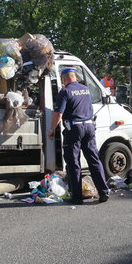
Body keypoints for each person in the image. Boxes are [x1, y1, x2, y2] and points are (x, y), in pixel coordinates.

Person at [48, 68, 109, 204]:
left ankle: (77, 197)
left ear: (64, 79)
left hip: (74, 129)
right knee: (94, 160)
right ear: (75, 77)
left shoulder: (65, 91)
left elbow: (58, 114)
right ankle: (103, 192)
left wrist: (52, 129)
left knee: (73, 162)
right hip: (89, 127)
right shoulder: (85, 89)